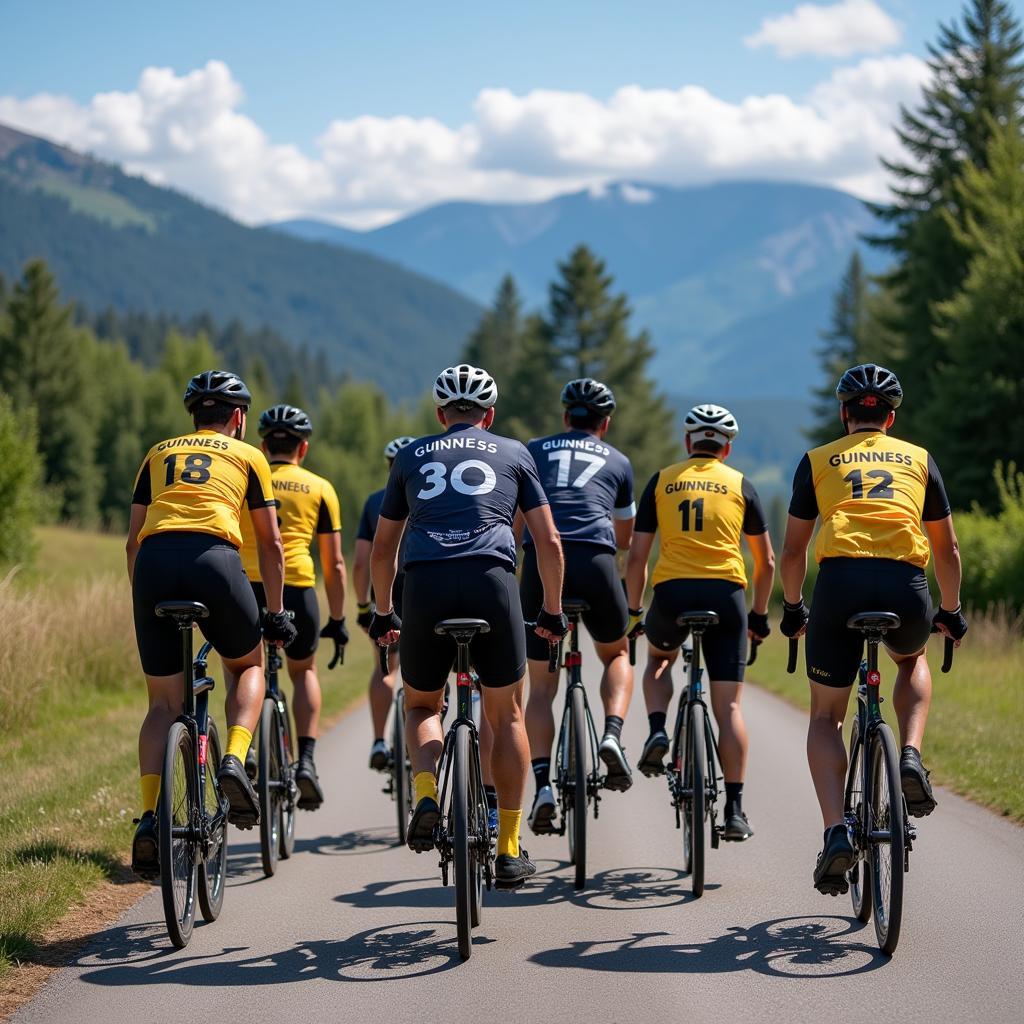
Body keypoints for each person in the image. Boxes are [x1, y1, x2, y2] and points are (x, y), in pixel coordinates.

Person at [369, 363, 567, 888]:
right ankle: (507, 846)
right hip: (491, 581)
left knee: (419, 705)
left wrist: (384, 610)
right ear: (490, 415)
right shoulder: (515, 452)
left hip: (426, 586)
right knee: (507, 716)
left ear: (439, 415)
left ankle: (430, 794)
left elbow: (384, 545)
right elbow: (547, 543)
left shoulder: (411, 455)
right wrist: (551, 609)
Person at [778, 363, 967, 896]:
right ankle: (908, 753)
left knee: (825, 716)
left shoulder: (816, 461)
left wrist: (792, 608)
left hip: (839, 586)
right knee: (912, 659)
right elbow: (948, 550)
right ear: (890, 417)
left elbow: (792, 551)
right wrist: (949, 612)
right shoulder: (919, 459)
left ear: (844, 414)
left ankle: (836, 830)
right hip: (904, 586)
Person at [126, 371, 297, 878]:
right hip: (215, 560)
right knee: (249, 665)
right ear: (239, 418)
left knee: (161, 703)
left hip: (155, 565)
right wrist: (277, 613)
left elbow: (133, 541)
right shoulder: (249, 457)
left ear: (193, 417)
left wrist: (143, 597)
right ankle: (235, 760)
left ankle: (151, 819)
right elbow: (269, 543)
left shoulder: (158, 453)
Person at [625, 404, 775, 842]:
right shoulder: (740, 484)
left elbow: (637, 557)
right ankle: (734, 809)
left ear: (689, 443)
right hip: (726, 595)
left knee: (658, 659)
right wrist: (759, 616)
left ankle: (657, 730)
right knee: (728, 708)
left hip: (673, 594)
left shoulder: (663, 480)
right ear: (726, 448)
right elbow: (765, 560)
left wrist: (636, 612)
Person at [519, 378, 637, 835]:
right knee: (617, 653)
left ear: (566, 418)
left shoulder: (532, 450)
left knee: (542, 688)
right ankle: (611, 733)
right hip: (596, 560)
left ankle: (545, 784)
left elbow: (514, 521)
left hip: (542, 563)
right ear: (604, 424)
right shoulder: (619, 460)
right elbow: (625, 537)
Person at [238, 404, 348, 809]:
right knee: (304, 672)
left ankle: (244, 747)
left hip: (247, 584)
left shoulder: (248, 473)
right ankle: (305, 761)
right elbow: (335, 563)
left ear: (264, 445)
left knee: (242, 668)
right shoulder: (320, 488)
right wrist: (337, 619)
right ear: (303, 447)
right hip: (298, 586)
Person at [353, 435, 414, 771]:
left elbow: (362, 561)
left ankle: (379, 739)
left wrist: (364, 606)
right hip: (421, 584)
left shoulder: (375, 501)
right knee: (425, 666)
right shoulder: (427, 493)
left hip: (386, 587)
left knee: (385, 665)